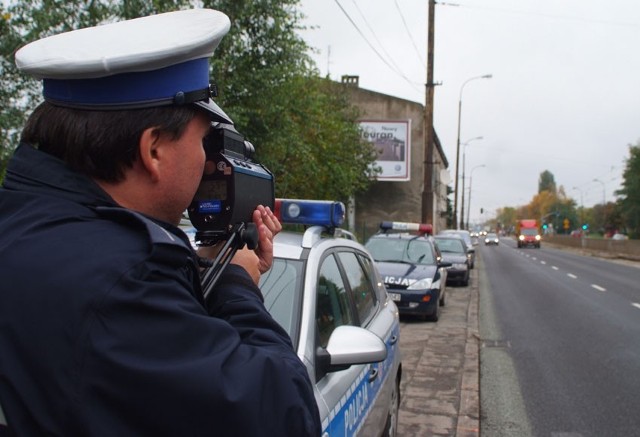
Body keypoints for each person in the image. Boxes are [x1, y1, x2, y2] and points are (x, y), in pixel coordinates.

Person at [0, 9, 321, 436]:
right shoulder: (122, 282)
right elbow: (285, 414)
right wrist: (235, 286)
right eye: (203, 140)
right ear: (153, 150)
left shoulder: (28, 227)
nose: (208, 159)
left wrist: (207, 263)